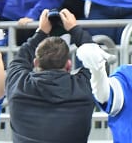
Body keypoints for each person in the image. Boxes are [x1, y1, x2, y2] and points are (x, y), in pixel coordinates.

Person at [6, 8, 106, 143]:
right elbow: (97, 62)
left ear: (35, 63)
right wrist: (74, 29)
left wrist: (40, 32)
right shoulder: (83, 86)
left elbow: (19, 59)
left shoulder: (19, 83)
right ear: (69, 65)